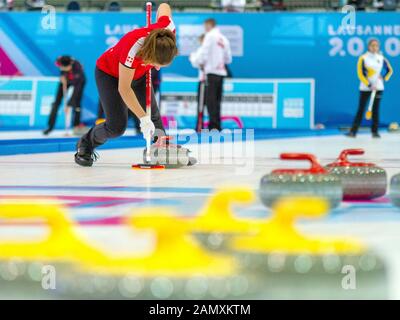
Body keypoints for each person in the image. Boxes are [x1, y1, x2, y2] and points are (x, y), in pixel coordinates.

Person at [75, 2, 177, 167]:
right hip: (110, 74)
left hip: (139, 74)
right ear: (148, 54)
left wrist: (147, 117)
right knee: (116, 127)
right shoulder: (133, 46)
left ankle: (161, 148)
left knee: (154, 116)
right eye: (155, 63)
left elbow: (164, 5)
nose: (157, 67)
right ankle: (86, 144)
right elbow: (124, 88)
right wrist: (143, 118)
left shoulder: (168, 30)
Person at [347, 38, 393, 138]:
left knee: (376, 110)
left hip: (378, 88)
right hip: (365, 88)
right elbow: (360, 74)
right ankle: (353, 132)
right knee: (361, 109)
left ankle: (375, 132)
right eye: (372, 45)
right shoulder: (363, 58)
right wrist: (369, 85)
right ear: (368, 46)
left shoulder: (381, 58)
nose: (374, 47)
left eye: (376, 45)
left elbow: (390, 70)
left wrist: (384, 78)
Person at [194, 18, 232, 131]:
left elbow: (204, 54)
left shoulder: (209, 36)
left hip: (210, 72)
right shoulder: (224, 39)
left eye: (205, 27)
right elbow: (228, 59)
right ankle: (217, 125)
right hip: (221, 72)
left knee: (210, 101)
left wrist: (199, 62)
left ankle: (213, 126)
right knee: (217, 100)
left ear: (209, 26)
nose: (205, 29)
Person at [43, 55, 86, 135]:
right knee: (56, 103)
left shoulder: (77, 67)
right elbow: (61, 70)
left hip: (78, 82)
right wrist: (62, 76)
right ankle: (50, 127)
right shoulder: (59, 61)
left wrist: (69, 104)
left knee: (76, 103)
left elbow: (76, 91)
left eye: (65, 68)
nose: (62, 69)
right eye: (62, 67)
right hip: (65, 80)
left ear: (70, 65)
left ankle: (76, 126)